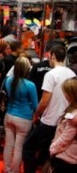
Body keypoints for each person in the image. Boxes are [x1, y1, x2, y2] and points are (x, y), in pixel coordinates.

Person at [23, 45, 76, 173]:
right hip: (62, 120)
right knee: (48, 151)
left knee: (28, 148)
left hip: (50, 120)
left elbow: (45, 100)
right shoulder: (71, 73)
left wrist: (36, 115)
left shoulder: (51, 74)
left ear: (52, 56)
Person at [3, 57, 38, 173]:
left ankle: (7, 169)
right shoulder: (30, 85)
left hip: (9, 115)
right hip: (24, 118)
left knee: (8, 146)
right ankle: (15, 171)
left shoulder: (8, 80)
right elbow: (35, 106)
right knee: (18, 148)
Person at [49, 77, 77, 173]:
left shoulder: (74, 116)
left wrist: (53, 149)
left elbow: (65, 138)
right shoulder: (72, 109)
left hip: (65, 158)